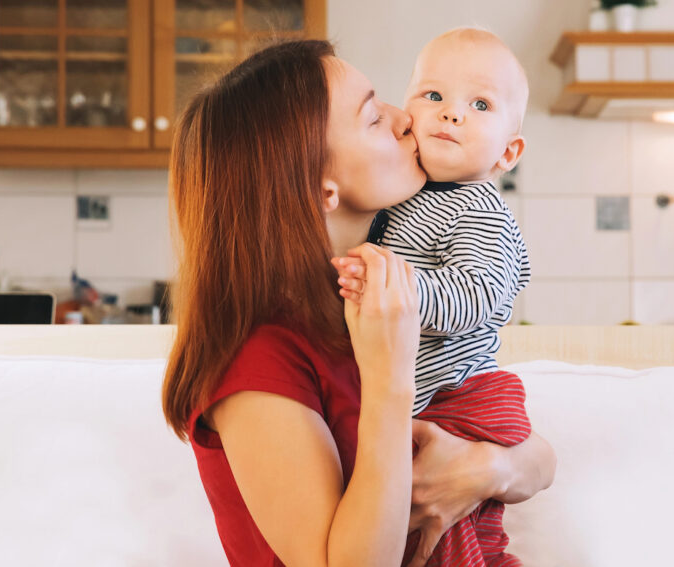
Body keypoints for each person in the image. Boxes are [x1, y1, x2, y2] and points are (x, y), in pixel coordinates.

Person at [161, 40, 555, 567]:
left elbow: (538, 457)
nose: (405, 119)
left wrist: (487, 469)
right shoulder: (257, 360)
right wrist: (391, 380)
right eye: (373, 117)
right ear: (321, 188)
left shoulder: (362, 299)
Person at [333, 28, 531, 565]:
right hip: (419, 397)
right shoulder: (405, 196)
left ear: (508, 152)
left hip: (461, 397)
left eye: (480, 104)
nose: (451, 114)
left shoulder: (478, 209)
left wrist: (400, 289)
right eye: (433, 96)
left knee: (445, 533)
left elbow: (480, 292)